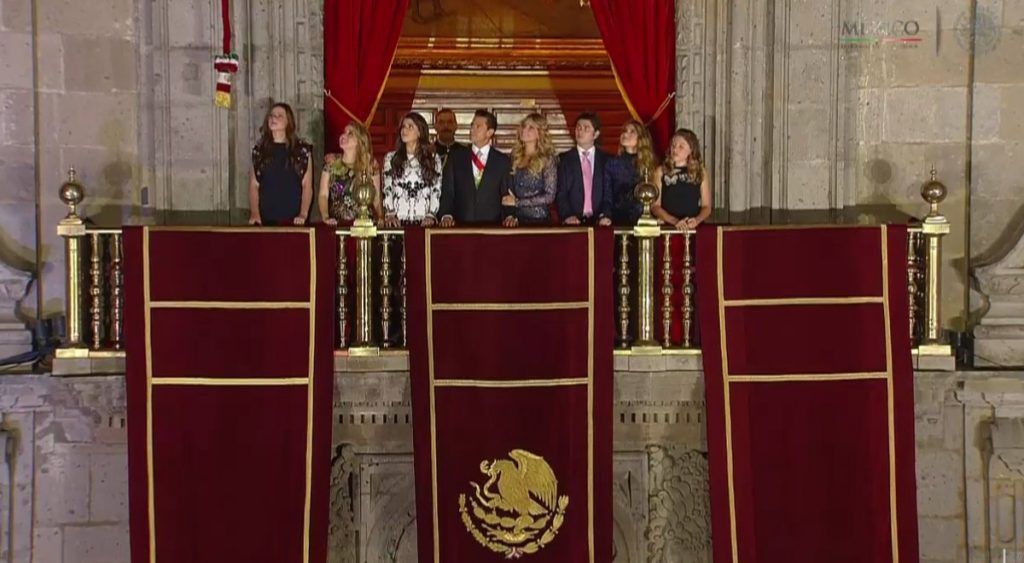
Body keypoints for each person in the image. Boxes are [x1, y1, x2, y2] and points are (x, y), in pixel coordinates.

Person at [438, 109, 513, 227]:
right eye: (472, 125)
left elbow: (506, 195)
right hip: (460, 227)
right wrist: (446, 214)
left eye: (478, 126)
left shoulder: (502, 161)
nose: (472, 129)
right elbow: (448, 192)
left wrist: (510, 216)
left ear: (490, 132)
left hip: (492, 228)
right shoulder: (455, 157)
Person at [248, 102, 313, 225]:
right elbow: (253, 185)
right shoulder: (259, 151)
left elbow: (307, 186)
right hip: (266, 218)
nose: (274, 118)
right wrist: (255, 213)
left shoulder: (302, 151)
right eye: (271, 115)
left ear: (288, 122)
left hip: (294, 219)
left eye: (279, 116)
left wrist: (303, 214)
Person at [382, 112, 443, 228]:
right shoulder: (391, 158)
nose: (405, 130)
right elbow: (387, 188)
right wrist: (390, 213)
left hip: (424, 223)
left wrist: (431, 214)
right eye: (403, 127)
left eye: (410, 126)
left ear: (420, 132)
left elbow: (436, 189)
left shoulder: (433, 158)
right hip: (398, 222)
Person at [317, 122, 382, 225]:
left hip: (365, 224)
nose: (344, 135)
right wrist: (325, 217)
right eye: (344, 132)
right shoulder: (331, 164)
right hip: (337, 224)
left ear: (359, 141)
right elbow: (323, 195)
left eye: (350, 133)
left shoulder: (370, 165)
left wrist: (380, 217)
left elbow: (377, 197)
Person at [556, 112, 612, 226]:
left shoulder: (606, 160)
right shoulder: (564, 159)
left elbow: (609, 192)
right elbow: (561, 193)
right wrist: (567, 215)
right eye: (578, 128)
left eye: (586, 128)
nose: (580, 131)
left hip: (600, 221)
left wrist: (605, 214)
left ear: (595, 134)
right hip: (572, 221)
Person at [502, 113, 557, 226]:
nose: (524, 130)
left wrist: (518, 203)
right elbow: (509, 188)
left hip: (538, 220)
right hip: (516, 220)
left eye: (531, 127)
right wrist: (511, 213)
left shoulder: (547, 158)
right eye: (523, 126)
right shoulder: (515, 155)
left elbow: (549, 196)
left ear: (540, 133)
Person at [652, 128, 712, 230]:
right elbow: (655, 206)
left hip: (692, 227)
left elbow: (707, 207)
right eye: (673, 146)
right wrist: (675, 221)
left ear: (691, 149)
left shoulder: (700, 172)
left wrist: (697, 220)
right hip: (668, 227)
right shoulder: (661, 171)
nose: (675, 149)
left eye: (681, 147)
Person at [604, 119, 659, 226]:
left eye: (632, 131)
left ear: (641, 138)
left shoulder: (650, 164)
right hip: (618, 219)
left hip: (644, 219)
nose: (625, 134)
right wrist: (606, 215)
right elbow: (607, 194)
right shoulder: (612, 163)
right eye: (624, 131)